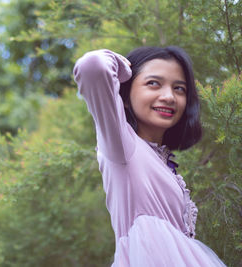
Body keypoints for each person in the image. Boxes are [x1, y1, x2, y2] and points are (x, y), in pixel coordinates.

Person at [73, 47, 226, 266]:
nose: (169, 97)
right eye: (153, 83)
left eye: (179, 89)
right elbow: (92, 66)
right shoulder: (122, 145)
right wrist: (125, 69)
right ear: (125, 96)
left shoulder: (162, 161)